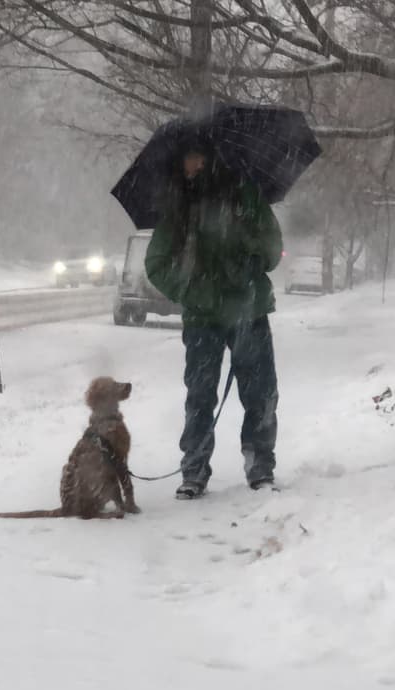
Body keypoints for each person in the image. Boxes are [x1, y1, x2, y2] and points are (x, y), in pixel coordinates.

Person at [144, 138, 283, 499]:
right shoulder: (178, 208)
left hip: (249, 310)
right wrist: (195, 290)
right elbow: (156, 265)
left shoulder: (246, 196)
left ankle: (260, 465)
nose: (189, 166)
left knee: (260, 393)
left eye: (192, 158)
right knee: (200, 395)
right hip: (203, 317)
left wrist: (255, 261)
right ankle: (194, 469)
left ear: (207, 159)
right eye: (185, 160)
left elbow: (271, 243)